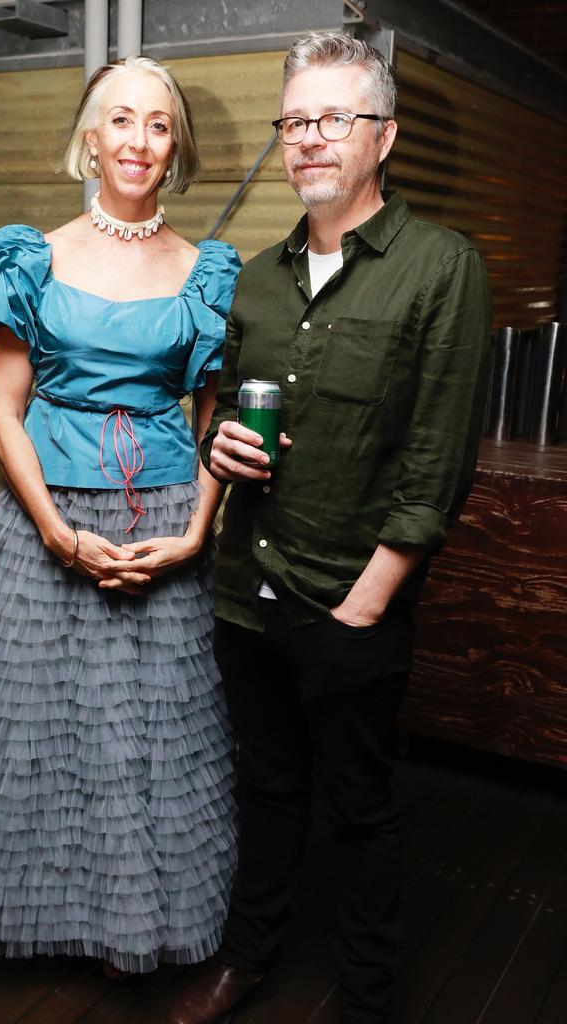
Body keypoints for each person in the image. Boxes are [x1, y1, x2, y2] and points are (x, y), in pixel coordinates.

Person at [0, 55, 241, 1021]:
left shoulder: (202, 269)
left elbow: (216, 427)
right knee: (20, 732)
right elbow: (6, 415)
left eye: (158, 125)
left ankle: (124, 928)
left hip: (165, 522)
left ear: (175, 150)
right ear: (89, 137)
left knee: (147, 738)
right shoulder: (29, 259)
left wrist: (193, 538)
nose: (137, 140)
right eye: (119, 120)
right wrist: (56, 534)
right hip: (53, 519)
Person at [167, 31, 492, 1024]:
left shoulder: (442, 267)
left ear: (383, 136)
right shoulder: (255, 278)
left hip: (350, 596)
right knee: (265, 790)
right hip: (242, 588)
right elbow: (218, 411)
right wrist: (218, 442)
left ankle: (366, 992)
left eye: (334, 119)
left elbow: (439, 453)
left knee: (357, 807)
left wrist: (370, 599)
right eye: (295, 120)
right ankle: (247, 956)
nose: (309, 139)